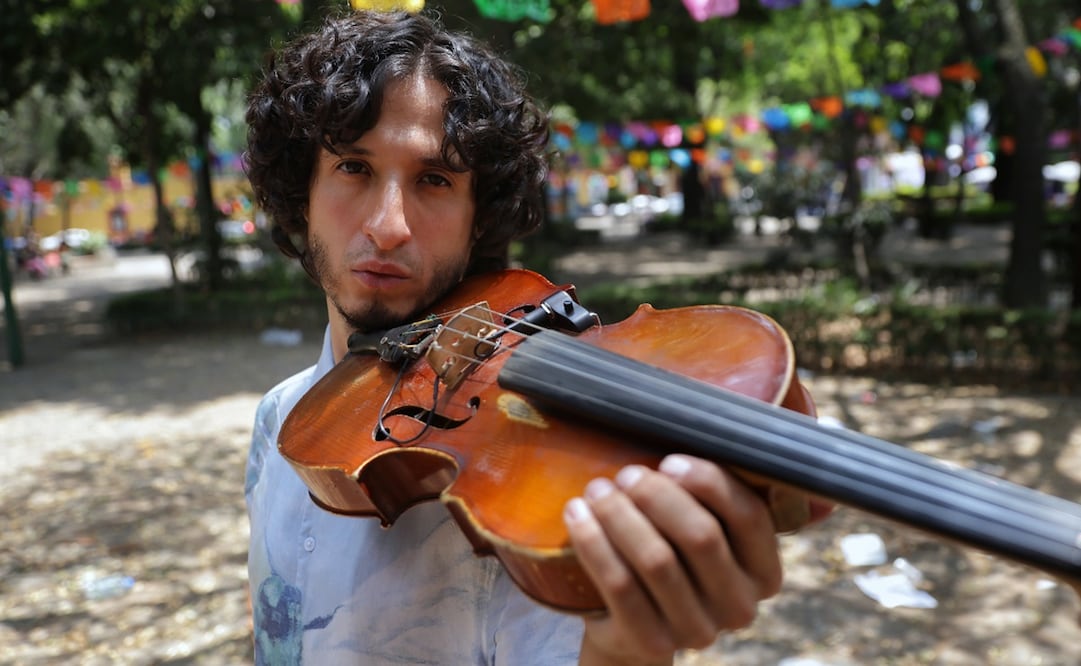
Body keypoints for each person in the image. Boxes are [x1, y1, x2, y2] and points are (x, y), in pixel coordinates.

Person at [243, 10, 830, 665]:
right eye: (353, 168)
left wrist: (623, 653)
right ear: (302, 191)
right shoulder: (277, 417)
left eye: (434, 180)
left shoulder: (524, 506)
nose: (387, 225)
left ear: (478, 218)